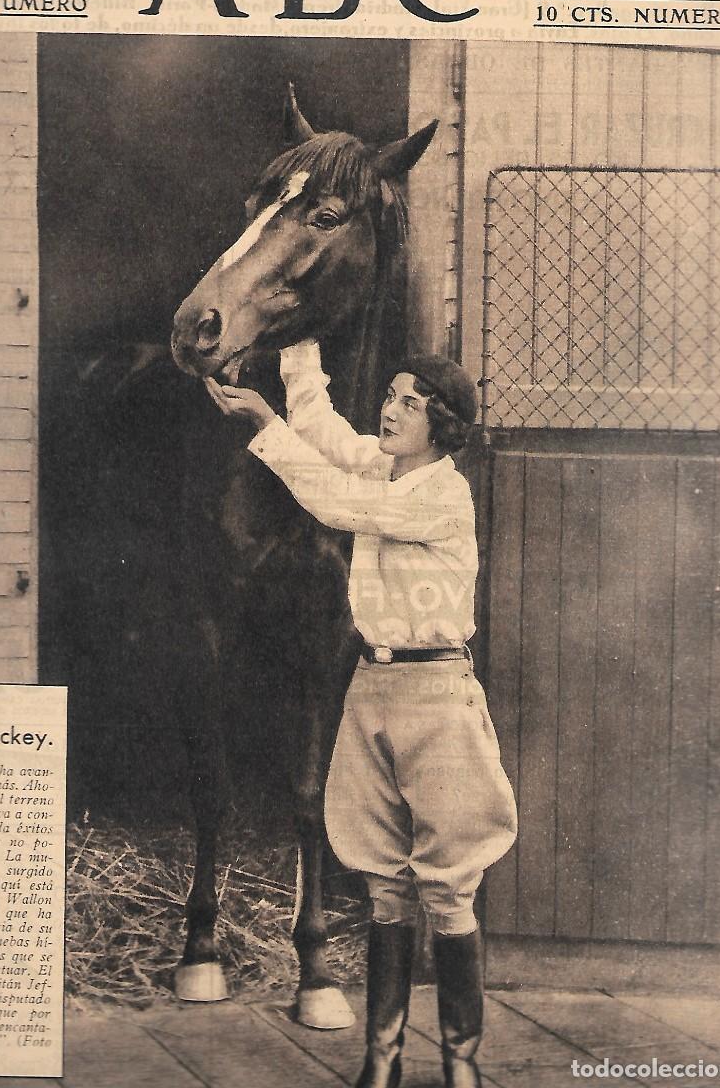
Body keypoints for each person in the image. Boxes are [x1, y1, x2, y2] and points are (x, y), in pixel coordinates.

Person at [205, 340, 517, 1088]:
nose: (390, 409)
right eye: (390, 395)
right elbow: (323, 432)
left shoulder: (442, 495)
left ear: (443, 425)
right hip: (372, 689)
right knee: (385, 886)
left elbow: (337, 502)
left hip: (438, 696)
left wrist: (265, 426)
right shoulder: (386, 468)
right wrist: (299, 348)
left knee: (449, 889)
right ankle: (383, 1060)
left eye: (411, 402)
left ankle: (460, 1064)